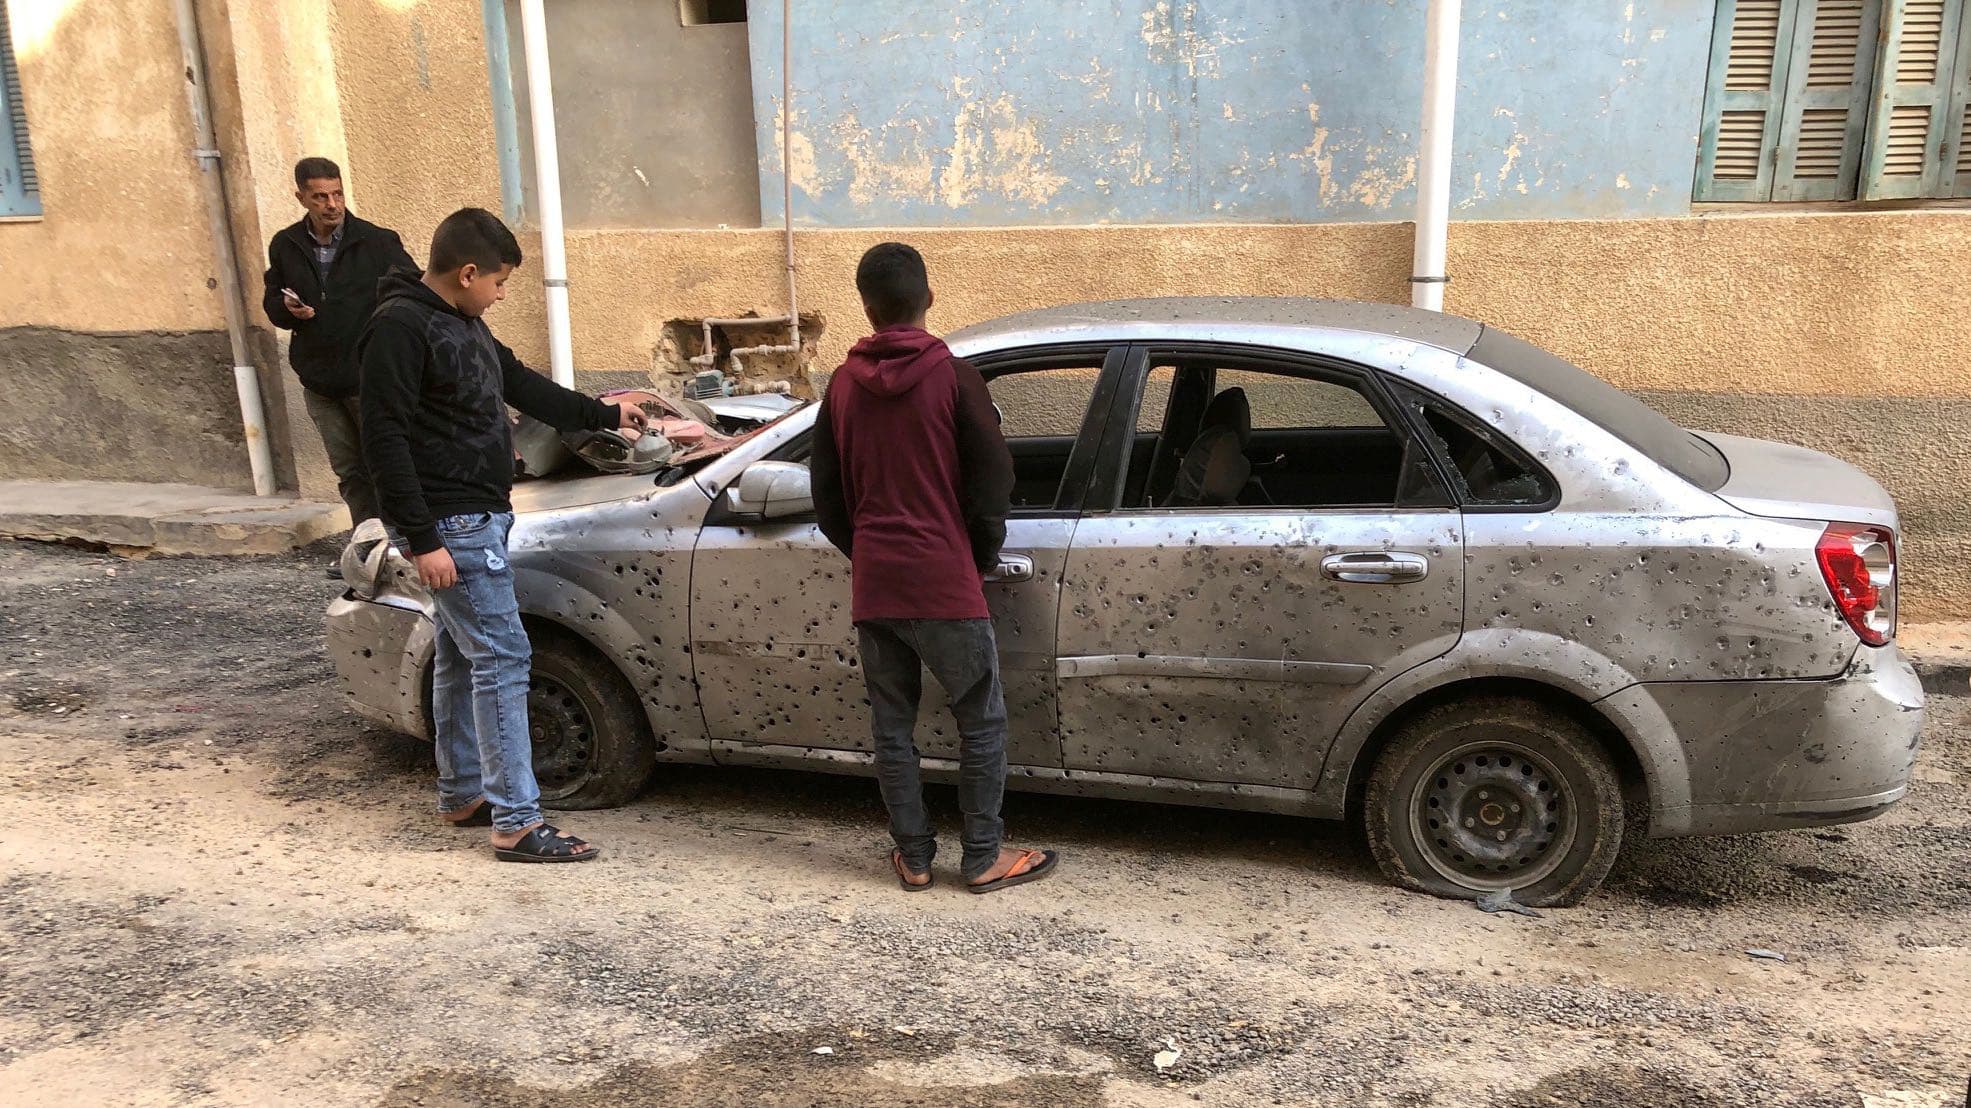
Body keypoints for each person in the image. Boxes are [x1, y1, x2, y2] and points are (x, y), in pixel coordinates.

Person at [358, 207, 647, 863]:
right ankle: (517, 821)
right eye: (499, 282)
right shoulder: (399, 329)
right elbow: (384, 441)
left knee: (464, 655)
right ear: (466, 273)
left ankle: (462, 791)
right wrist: (420, 538)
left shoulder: (464, 324)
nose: (502, 294)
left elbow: (522, 385)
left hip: (477, 516)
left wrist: (604, 413)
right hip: (451, 524)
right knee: (504, 657)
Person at [811, 242, 1060, 895]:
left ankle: (914, 857)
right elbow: (993, 479)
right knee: (979, 717)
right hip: (945, 580)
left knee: (892, 723)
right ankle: (981, 857)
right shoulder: (953, 375)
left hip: (878, 587)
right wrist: (975, 555)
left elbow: (827, 497)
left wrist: (866, 553)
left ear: (865, 306)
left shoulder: (839, 386)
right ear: (929, 298)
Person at [262, 156, 415, 551]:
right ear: (301, 198)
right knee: (349, 470)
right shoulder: (287, 244)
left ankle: (405, 543)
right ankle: (369, 547)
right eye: (319, 197)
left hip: (369, 376)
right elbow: (272, 302)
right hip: (319, 379)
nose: (331, 204)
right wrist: (288, 310)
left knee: (387, 463)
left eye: (337, 194)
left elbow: (413, 294)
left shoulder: (378, 241)